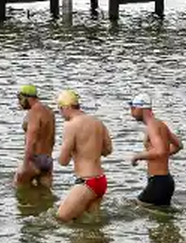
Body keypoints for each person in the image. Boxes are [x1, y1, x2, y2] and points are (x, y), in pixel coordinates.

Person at [56, 90, 113, 222]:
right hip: (101, 180)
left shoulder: (71, 125)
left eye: (60, 109)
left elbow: (63, 161)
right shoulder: (98, 122)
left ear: (66, 107)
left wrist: (70, 152)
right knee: (90, 223)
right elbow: (108, 150)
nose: (60, 113)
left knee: (61, 218)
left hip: (87, 182)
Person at [129, 94, 183, 206]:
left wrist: (138, 156)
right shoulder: (160, 124)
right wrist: (162, 155)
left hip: (158, 181)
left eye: (133, 107)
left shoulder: (152, 126)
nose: (131, 111)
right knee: (162, 218)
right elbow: (178, 145)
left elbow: (160, 151)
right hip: (166, 181)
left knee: (135, 207)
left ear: (141, 108)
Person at [15, 85, 56, 188]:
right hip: (47, 159)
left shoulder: (33, 113)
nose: (19, 102)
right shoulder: (49, 111)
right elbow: (52, 138)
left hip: (34, 159)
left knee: (19, 190)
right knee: (46, 195)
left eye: (20, 99)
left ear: (27, 98)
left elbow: (31, 140)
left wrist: (25, 165)